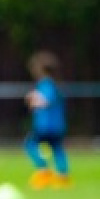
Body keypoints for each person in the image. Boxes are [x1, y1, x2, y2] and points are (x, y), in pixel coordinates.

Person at [24, 51, 70, 189]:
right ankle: (63, 176)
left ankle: (43, 171)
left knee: (30, 144)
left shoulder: (46, 84)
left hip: (45, 125)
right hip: (58, 125)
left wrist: (33, 98)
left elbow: (45, 100)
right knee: (57, 149)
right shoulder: (56, 84)